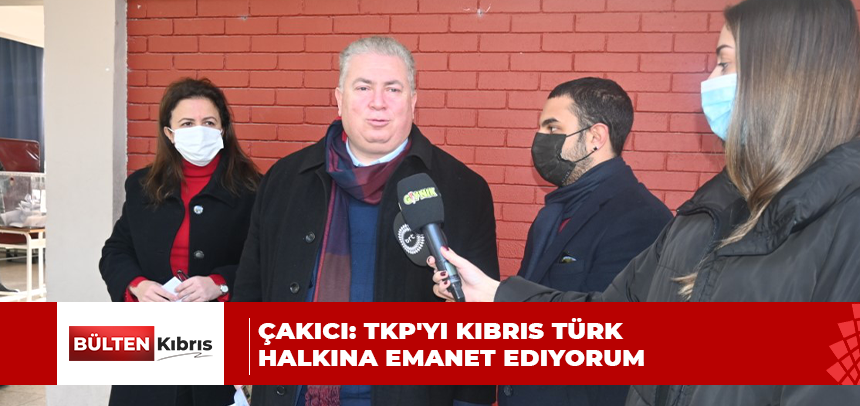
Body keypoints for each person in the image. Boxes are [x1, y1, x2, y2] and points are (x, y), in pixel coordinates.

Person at [431, 0, 860, 405]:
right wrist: (497, 296)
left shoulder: (846, 228)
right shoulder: (703, 216)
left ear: (786, 76)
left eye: (725, 63)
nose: (710, 81)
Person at [232, 36, 500, 406]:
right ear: (339, 98)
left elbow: (480, 324)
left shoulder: (462, 189)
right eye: (363, 87)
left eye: (393, 88)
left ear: (413, 101)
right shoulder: (286, 179)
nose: (378, 102)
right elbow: (251, 287)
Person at [500, 78, 672, 406]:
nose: (540, 138)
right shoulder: (551, 215)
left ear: (595, 137)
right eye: (541, 127)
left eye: (553, 128)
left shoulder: (641, 218)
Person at [99, 77, 260, 406]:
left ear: (223, 130)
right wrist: (137, 286)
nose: (199, 130)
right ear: (169, 133)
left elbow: (265, 259)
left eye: (209, 122)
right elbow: (116, 250)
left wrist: (220, 283)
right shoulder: (142, 186)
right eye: (187, 123)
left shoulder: (253, 189)